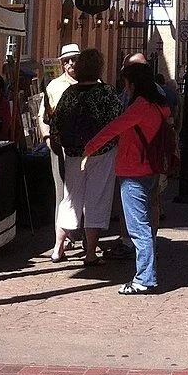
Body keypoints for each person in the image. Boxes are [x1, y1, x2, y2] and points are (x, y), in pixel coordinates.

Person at [82, 60, 171, 295]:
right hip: (150, 169)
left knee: (137, 227)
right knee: (146, 224)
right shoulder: (159, 105)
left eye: (127, 83)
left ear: (133, 84)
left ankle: (145, 277)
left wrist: (89, 148)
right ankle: (146, 273)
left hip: (134, 171)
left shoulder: (140, 106)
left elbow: (114, 128)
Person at [52, 48, 122, 265]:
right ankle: (90, 253)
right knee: (96, 200)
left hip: (73, 153)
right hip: (101, 153)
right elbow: (117, 122)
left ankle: (57, 248)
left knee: (70, 199)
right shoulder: (107, 93)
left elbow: (55, 124)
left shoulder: (68, 94)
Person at [38, 43, 80, 263]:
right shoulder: (54, 86)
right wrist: (46, 137)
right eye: (67, 60)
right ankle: (62, 239)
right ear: (62, 64)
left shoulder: (92, 84)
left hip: (85, 147)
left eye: (74, 59)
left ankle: (78, 232)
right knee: (61, 191)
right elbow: (43, 115)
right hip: (61, 145)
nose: (71, 63)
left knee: (83, 191)